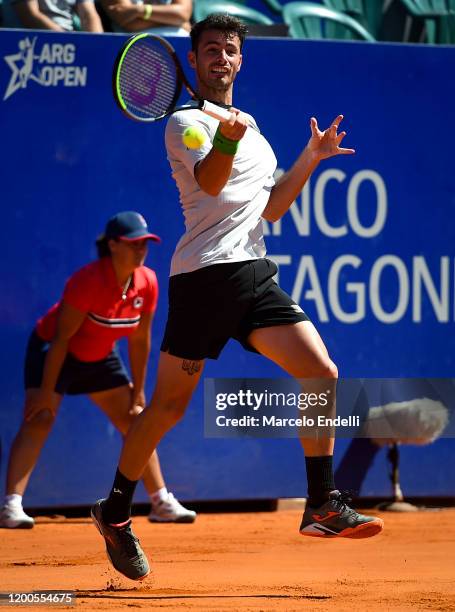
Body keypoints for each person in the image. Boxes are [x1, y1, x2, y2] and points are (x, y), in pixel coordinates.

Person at [91, 16, 384, 582]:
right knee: (168, 409)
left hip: (252, 274)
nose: (220, 58)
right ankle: (116, 510)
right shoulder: (182, 122)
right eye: (209, 51)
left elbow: (271, 209)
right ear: (194, 61)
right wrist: (225, 136)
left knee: (320, 370)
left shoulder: (254, 128)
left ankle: (320, 503)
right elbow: (211, 183)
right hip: (203, 281)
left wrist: (310, 158)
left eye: (229, 50)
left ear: (240, 61)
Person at [0, 211, 195, 530]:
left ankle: (160, 501)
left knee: (135, 420)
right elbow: (61, 340)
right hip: (55, 352)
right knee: (41, 417)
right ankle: (11, 506)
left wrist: (139, 390)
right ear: (114, 245)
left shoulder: (147, 282)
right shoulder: (87, 281)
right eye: (134, 244)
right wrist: (46, 393)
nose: (141, 250)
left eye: (145, 243)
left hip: (100, 355)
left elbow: (140, 340)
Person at [101, 0, 191, 36]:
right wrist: (176, 21)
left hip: (181, 49)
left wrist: (139, 10)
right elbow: (128, 23)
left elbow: (183, 13)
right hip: (133, 51)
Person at [2, 0, 103, 32]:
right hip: (33, 42)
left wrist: (98, 44)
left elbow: (88, 14)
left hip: (69, 42)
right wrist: (69, 41)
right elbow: (30, 15)